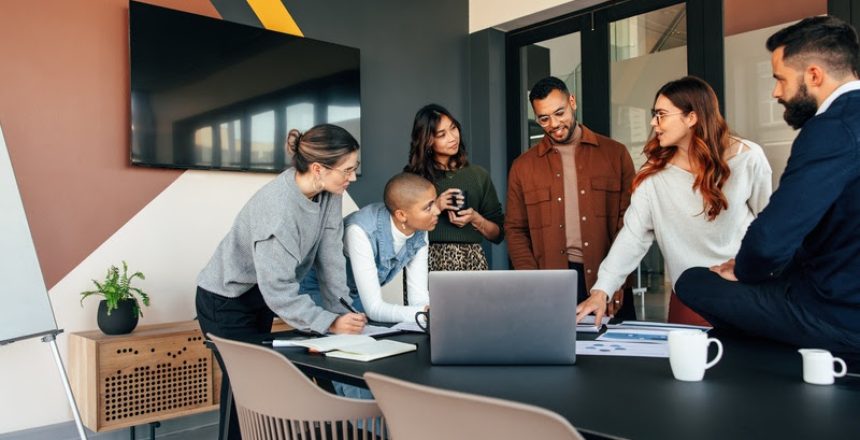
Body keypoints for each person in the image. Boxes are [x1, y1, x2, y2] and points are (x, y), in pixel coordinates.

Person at [675, 16, 860, 354]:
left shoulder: (832, 128)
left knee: (694, 281)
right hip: (837, 291)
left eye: (780, 79)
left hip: (836, 316)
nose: (776, 92)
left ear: (814, 75)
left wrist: (743, 270)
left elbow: (770, 240)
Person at [195, 124, 367, 440]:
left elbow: (330, 259)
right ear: (318, 168)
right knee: (246, 391)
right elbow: (279, 291)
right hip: (226, 300)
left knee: (263, 389)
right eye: (347, 170)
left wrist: (344, 314)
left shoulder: (328, 192)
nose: (352, 177)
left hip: (260, 295)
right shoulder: (277, 210)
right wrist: (330, 323)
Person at [575, 76, 772, 326]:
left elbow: (768, 225)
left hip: (744, 294)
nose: (653, 123)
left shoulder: (749, 158)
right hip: (688, 299)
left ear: (691, 117)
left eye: (661, 115)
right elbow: (633, 236)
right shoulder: (653, 175)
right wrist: (601, 290)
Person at [506, 76, 636, 319]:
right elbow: (515, 229)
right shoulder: (522, 167)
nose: (554, 124)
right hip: (550, 285)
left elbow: (629, 224)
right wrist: (531, 281)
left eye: (560, 112)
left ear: (572, 102)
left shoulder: (615, 154)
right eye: (544, 118)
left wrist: (617, 280)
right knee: (555, 355)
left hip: (606, 278)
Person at [303, 172, 439, 323]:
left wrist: (429, 312)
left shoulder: (420, 228)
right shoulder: (360, 231)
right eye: (428, 207)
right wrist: (424, 313)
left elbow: (418, 299)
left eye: (435, 202)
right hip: (321, 291)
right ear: (401, 215)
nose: (437, 211)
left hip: (355, 295)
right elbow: (374, 309)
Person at [404, 103, 504, 271]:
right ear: (427, 140)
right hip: (424, 262)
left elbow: (498, 234)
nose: (452, 137)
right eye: (442, 134)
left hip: (472, 261)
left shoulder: (478, 175)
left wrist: (475, 218)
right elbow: (402, 229)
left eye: (453, 128)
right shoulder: (413, 178)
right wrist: (436, 206)